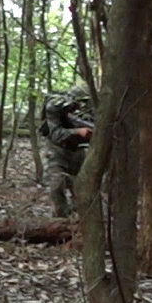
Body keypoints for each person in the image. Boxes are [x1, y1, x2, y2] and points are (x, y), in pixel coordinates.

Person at [41, 86, 94, 218]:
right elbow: (56, 134)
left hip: (77, 151)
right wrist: (77, 132)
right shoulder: (55, 108)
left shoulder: (91, 112)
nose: (80, 107)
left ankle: (81, 218)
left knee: (81, 188)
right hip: (57, 150)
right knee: (57, 184)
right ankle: (61, 218)